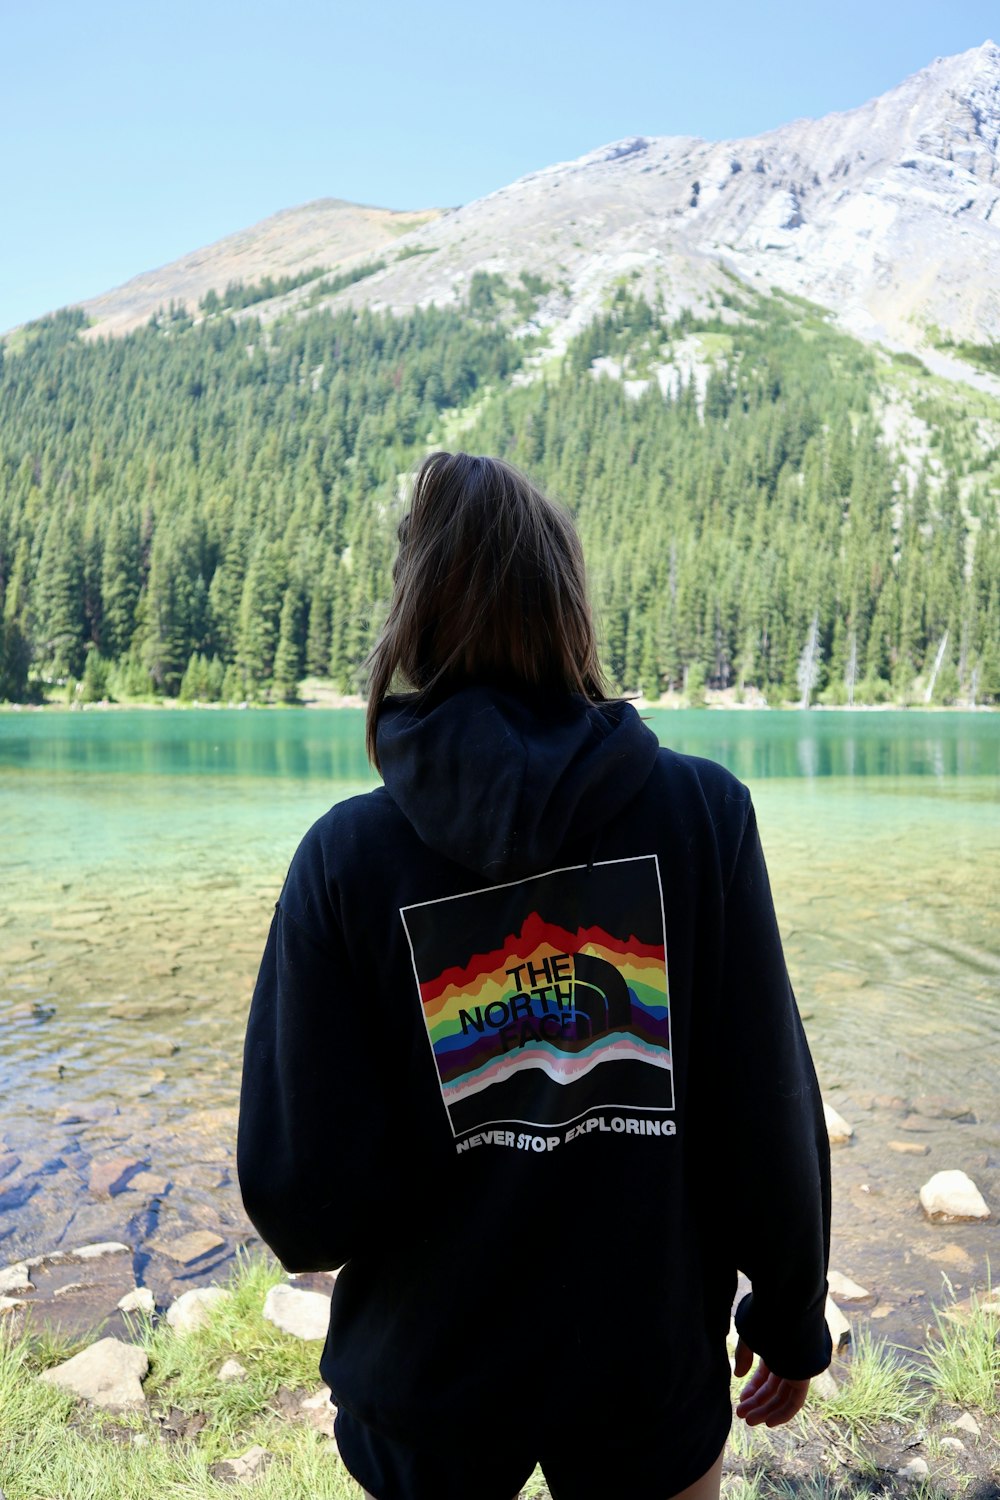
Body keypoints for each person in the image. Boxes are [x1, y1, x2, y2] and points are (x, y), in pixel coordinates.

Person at [237, 451, 832, 1500]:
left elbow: (301, 1200)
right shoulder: (700, 817)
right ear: (568, 611)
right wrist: (787, 1311)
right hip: (642, 1363)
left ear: (413, 613)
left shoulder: (348, 858)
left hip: (426, 1381)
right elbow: (764, 1107)